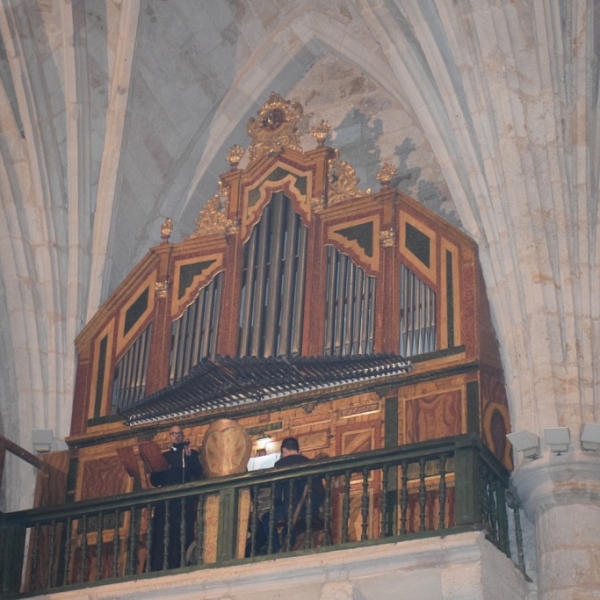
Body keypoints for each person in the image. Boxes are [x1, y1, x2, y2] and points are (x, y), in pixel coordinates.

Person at [149, 425, 203, 570]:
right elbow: (155, 481)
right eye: (173, 434)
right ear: (169, 437)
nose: (176, 436)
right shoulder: (163, 457)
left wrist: (190, 457)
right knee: (163, 535)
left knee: (181, 534)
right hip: (165, 504)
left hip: (182, 504)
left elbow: (198, 473)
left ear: (183, 436)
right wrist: (153, 465)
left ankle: (181, 563)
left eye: (179, 434)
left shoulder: (191, 454)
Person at [258, 437, 325, 553]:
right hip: (311, 512)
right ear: (298, 450)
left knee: (266, 519)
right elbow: (321, 494)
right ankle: (287, 550)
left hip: (291, 510)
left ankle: (276, 550)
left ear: (284, 451)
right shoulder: (311, 464)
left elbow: (276, 495)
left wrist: (277, 506)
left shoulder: (281, 464)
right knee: (290, 526)